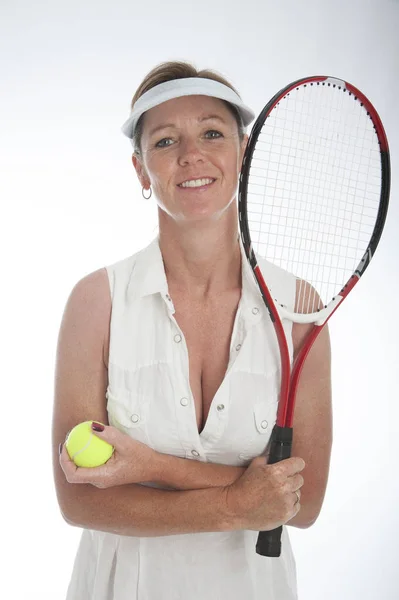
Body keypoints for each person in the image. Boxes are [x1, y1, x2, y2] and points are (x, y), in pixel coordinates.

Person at [53, 61, 332, 600]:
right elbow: (78, 500)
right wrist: (238, 502)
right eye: (164, 141)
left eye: (211, 132)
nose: (191, 155)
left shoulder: (299, 309)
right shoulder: (96, 302)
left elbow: (307, 502)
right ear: (140, 170)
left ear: (242, 152)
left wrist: (152, 468)